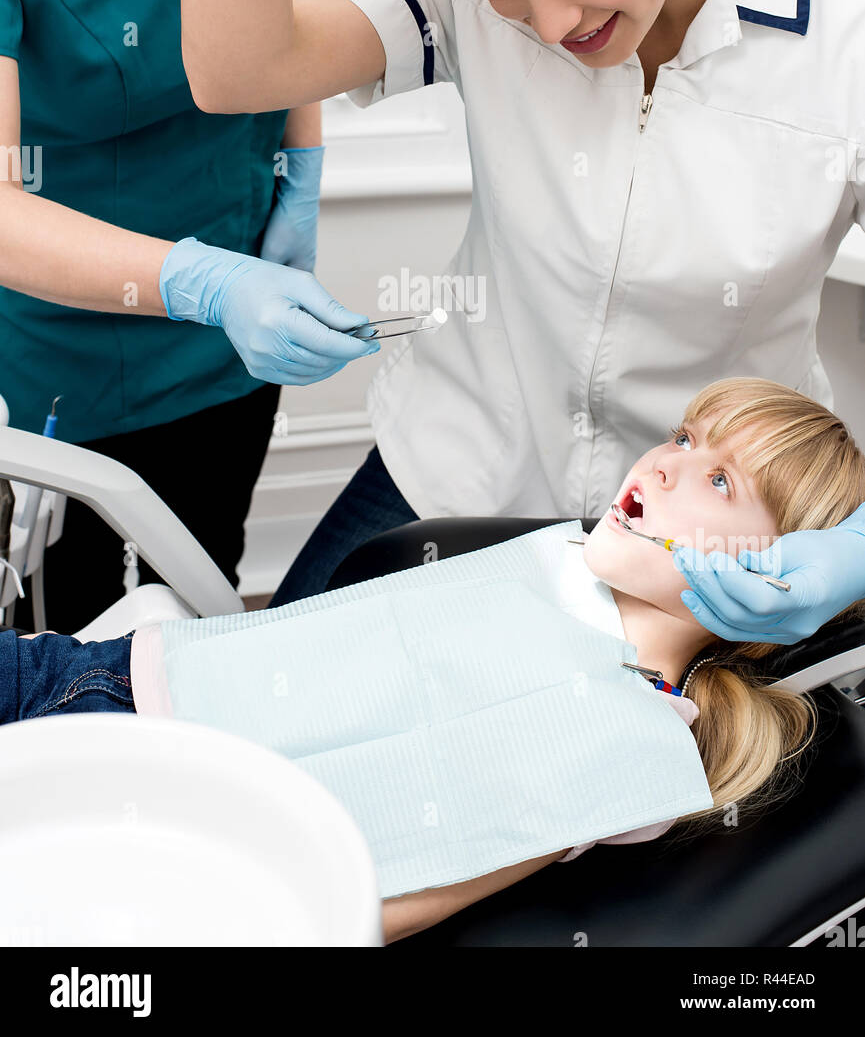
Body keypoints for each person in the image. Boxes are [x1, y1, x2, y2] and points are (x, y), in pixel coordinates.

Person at [178, 0, 865, 642]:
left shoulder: (843, 33)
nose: (548, 23)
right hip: (455, 467)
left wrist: (858, 544)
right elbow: (241, 66)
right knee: (264, 719)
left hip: (697, 534)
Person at [4, 375, 863, 943]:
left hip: (170, 832)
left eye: (720, 482)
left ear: (781, 570)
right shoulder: (553, 557)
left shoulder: (629, 737)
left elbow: (428, 878)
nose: (668, 464)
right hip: (105, 680)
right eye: (683, 437)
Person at [0, 0, 381, 630]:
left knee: (203, 580)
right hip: (67, 353)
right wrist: (203, 280)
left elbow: (289, 16)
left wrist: (303, 181)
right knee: (74, 630)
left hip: (228, 335)